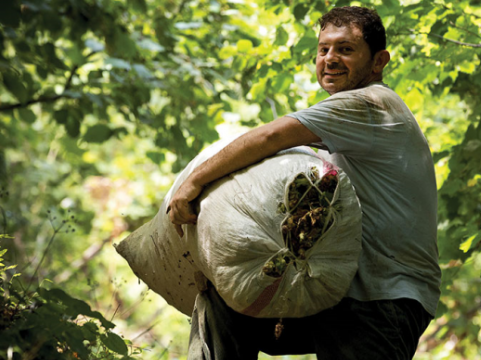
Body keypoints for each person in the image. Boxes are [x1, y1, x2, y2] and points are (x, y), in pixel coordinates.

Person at [167, 6, 441, 360]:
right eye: (323, 49)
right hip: (334, 288)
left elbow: (270, 138)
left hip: (381, 298)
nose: (330, 59)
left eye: (345, 49)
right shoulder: (349, 121)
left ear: (378, 62)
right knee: (224, 300)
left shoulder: (370, 104)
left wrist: (193, 183)